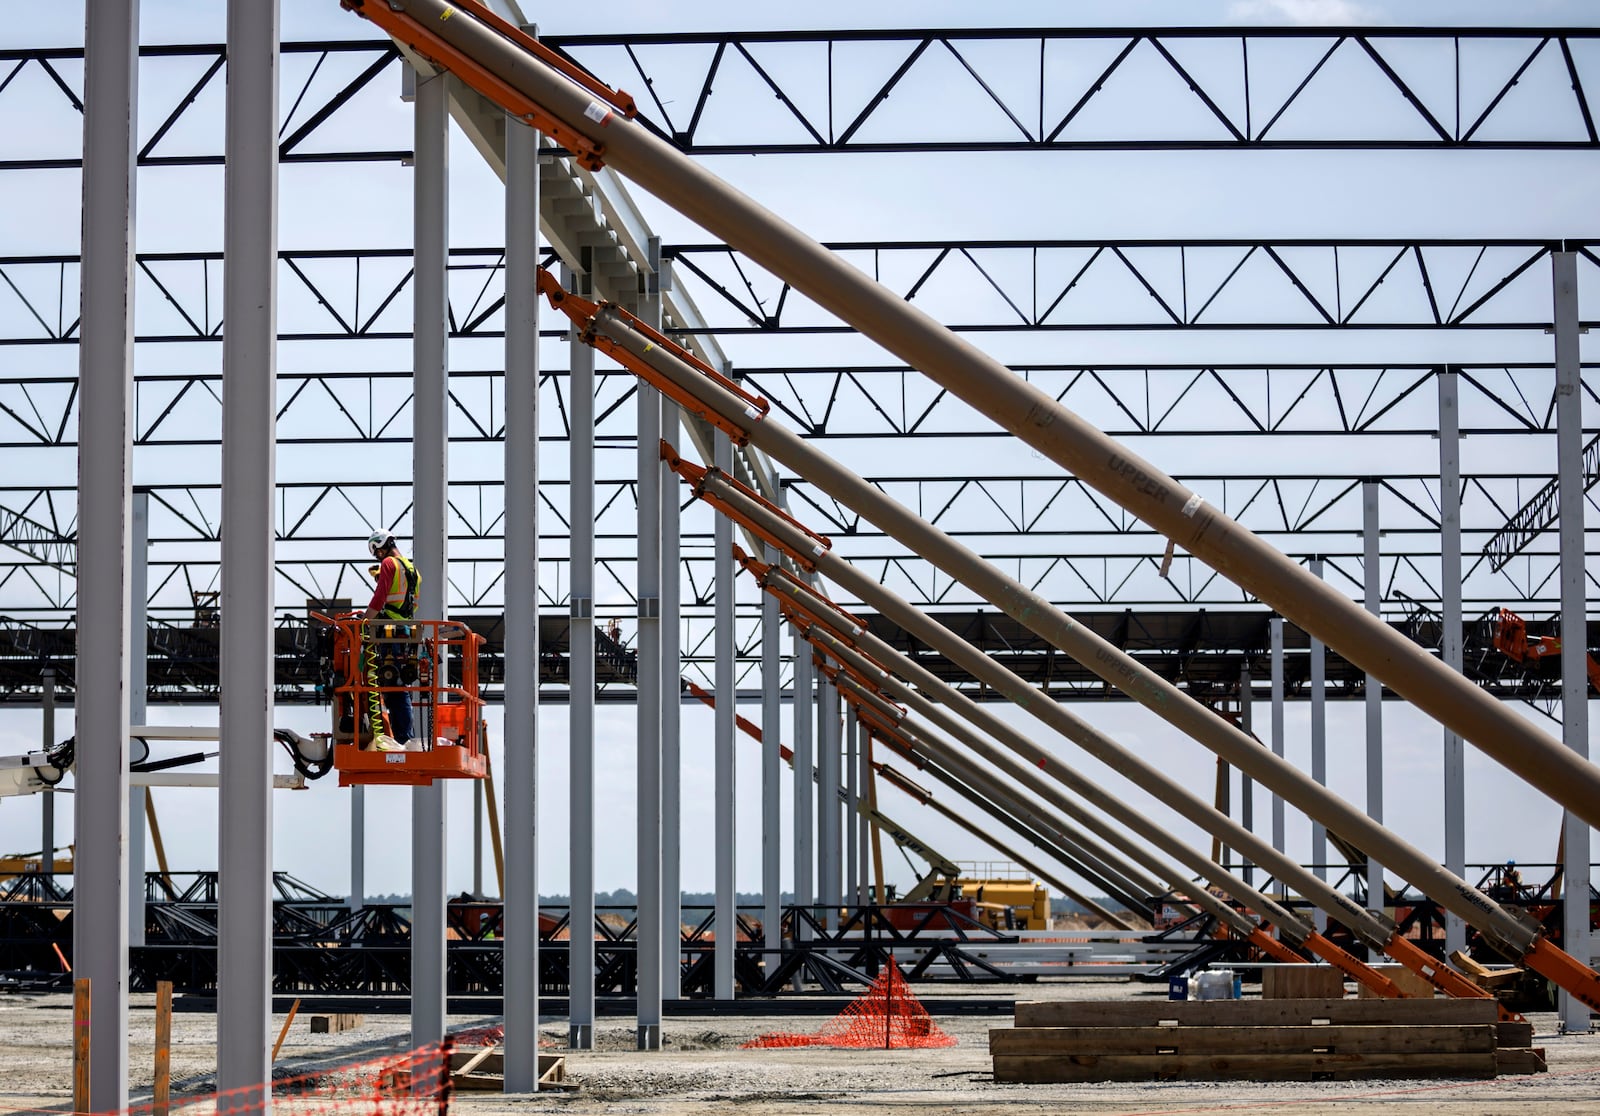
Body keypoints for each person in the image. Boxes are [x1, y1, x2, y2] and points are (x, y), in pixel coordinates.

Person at [362, 530, 419, 751]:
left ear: (380, 545)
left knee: (393, 683)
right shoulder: (412, 569)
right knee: (395, 683)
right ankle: (403, 736)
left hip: (388, 630)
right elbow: (413, 604)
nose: (377, 557)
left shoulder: (388, 564)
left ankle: (404, 738)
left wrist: (365, 622)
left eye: (377, 552)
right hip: (404, 631)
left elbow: (380, 596)